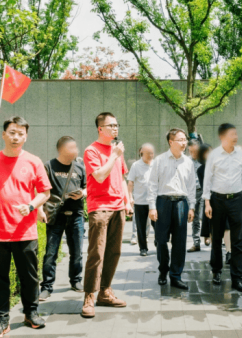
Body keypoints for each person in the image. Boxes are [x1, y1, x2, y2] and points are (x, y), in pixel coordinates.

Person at [0, 116, 51, 338]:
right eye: (12, 133)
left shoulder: (33, 161)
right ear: (3, 135)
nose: (16, 137)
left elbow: (45, 192)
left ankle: (31, 312)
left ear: (26, 136)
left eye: (20, 133)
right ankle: (0, 320)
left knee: (29, 276)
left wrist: (31, 205)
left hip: (25, 231)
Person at [80, 112, 132, 318]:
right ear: (100, 128)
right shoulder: (91, 151)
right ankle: (89, 296)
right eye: (111, 125)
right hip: (100, 207)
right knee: (96, 253)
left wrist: (127, 202)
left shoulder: (116, 151)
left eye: (117, 125)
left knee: (114, 252)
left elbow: (121, 178)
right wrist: (114, 156)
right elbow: (100, 176)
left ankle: (105, 291)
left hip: (118, 207)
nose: (115, 128)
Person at [203, 123, 242, 293]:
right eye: (232, 134)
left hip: (237, 200)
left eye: (236, 134)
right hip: (217, 201)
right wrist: (207, 203)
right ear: (222, 137)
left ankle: (237, 278)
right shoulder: (214, 155)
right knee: (216, 238)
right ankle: (216, 271)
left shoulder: (241, 155)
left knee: (238, 240)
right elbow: (207, 179)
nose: (236, 137)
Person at [148, 129, 197, 289]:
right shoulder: (159, 160)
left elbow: (191, 187)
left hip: (181, 203)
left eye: (185, 140)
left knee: (180, 241)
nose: (184, 143)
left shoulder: (188, 162)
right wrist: (152, 207)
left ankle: (176, 276)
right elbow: (152, 185)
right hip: (163, 202)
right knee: (161, 240)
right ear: (171, 142)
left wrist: (192, 207)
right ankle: (163, 270)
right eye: (180, 140)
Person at [39, 136, 87, 300]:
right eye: (73, 148)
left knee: (77, 252)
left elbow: (87, 187)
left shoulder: (79, 167)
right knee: (51, 253)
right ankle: (46, 287)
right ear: (63, 149)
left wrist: (82, 193)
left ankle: (76, 281)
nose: (77, 150)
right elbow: (41, 189)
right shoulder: (49, 166)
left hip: (76, 215)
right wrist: (40, 210)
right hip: (56, 215)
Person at [128, 144, 156, 256]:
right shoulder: (136, 165)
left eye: (152, 153)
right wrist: (130, 197)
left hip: (154, 201)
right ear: (142, 153)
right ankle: (143, 248)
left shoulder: (156, 164)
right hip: (140, 201)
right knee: (141, 227)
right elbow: (130, 182)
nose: (151, 155)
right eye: (148, 153)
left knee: (158, 225)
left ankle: (158, 241)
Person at [187, 140, 204, 252]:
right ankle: (196, 243)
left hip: (204, 191)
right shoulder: (186, 162)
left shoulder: (204, 160)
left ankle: (208, 237)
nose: (193, 153)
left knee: (206, 216)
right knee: (195, 218)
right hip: (192, 192)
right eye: (191, 151)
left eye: (195, 151)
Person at [197, 144, 213, 246]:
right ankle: (207, 235)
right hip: (208, 195)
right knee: (207, 215)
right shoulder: (200, 169)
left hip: (219, 194)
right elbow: (203, 185)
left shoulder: (217, 165)